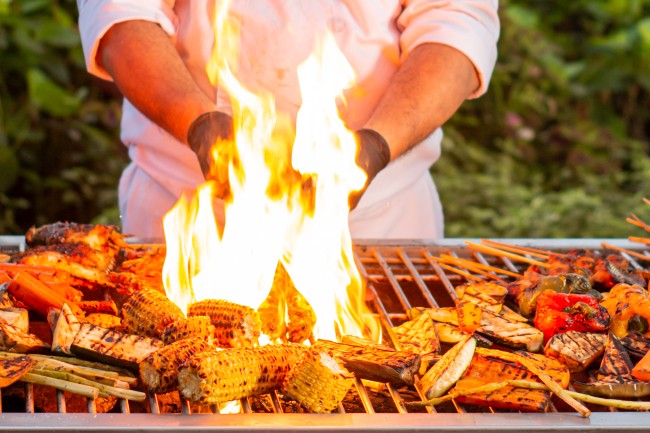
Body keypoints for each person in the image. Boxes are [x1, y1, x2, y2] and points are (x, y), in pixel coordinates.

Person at [76, 1, 500, 241]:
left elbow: (455, 23)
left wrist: (376, 143)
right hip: (188, 215)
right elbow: (123, 15)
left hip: (380, 221)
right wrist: (200, 124)